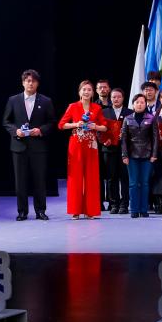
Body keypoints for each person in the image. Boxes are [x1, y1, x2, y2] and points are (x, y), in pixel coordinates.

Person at [2, 69, 56, 220]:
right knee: (20, 181)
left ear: (37, 83)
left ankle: (40, 210)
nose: (30, 83)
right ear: (23, 83)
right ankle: (22, 211)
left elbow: (52, 122)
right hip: (19, 146)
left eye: (33, 81)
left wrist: (40, 130)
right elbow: (6, 121)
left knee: (39, 180)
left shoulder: (46, 101)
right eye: (28, 81)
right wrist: (16, 131)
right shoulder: (13, 100)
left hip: (38, 147)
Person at [58, 80, 108, 219]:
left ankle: (90, 211)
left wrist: (95, 127)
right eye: (84, 89)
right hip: (76, 145)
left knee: (92, 177)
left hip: (91, 145)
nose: (86, 92)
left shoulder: (96, 108)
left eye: (89, 90)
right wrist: (76, 124)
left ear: (93, 93)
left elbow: (105, 127)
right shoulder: (73, 106)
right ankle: (75, 210)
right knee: (75, 177)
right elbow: (61, 125)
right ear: (79, 92)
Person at [120, 93, 158, 218]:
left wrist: (154, 154)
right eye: (137, 102)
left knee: (145, 183)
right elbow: (124, 139)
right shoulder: (127, 119)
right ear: (133, 104)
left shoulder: (151, 118)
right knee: (133, 183)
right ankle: (134, 210)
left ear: (146, 104)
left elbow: (155, 138)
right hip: (132, 156)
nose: (140, 104)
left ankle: (144, 209)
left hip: (147, 155)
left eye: (142, 102)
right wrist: (124, 155)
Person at [100, 88, 129, 213]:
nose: (116, 99)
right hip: (109, 148)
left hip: (124, 150)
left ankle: (124, 204)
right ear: (110, 99)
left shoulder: (129, 112)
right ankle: (113, 204)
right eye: (113, 97)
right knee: (111, 177)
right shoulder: (104, 112)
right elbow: (98, 130)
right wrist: (103, 140)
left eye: (118, 97)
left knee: (125, 177)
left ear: (123, 98)